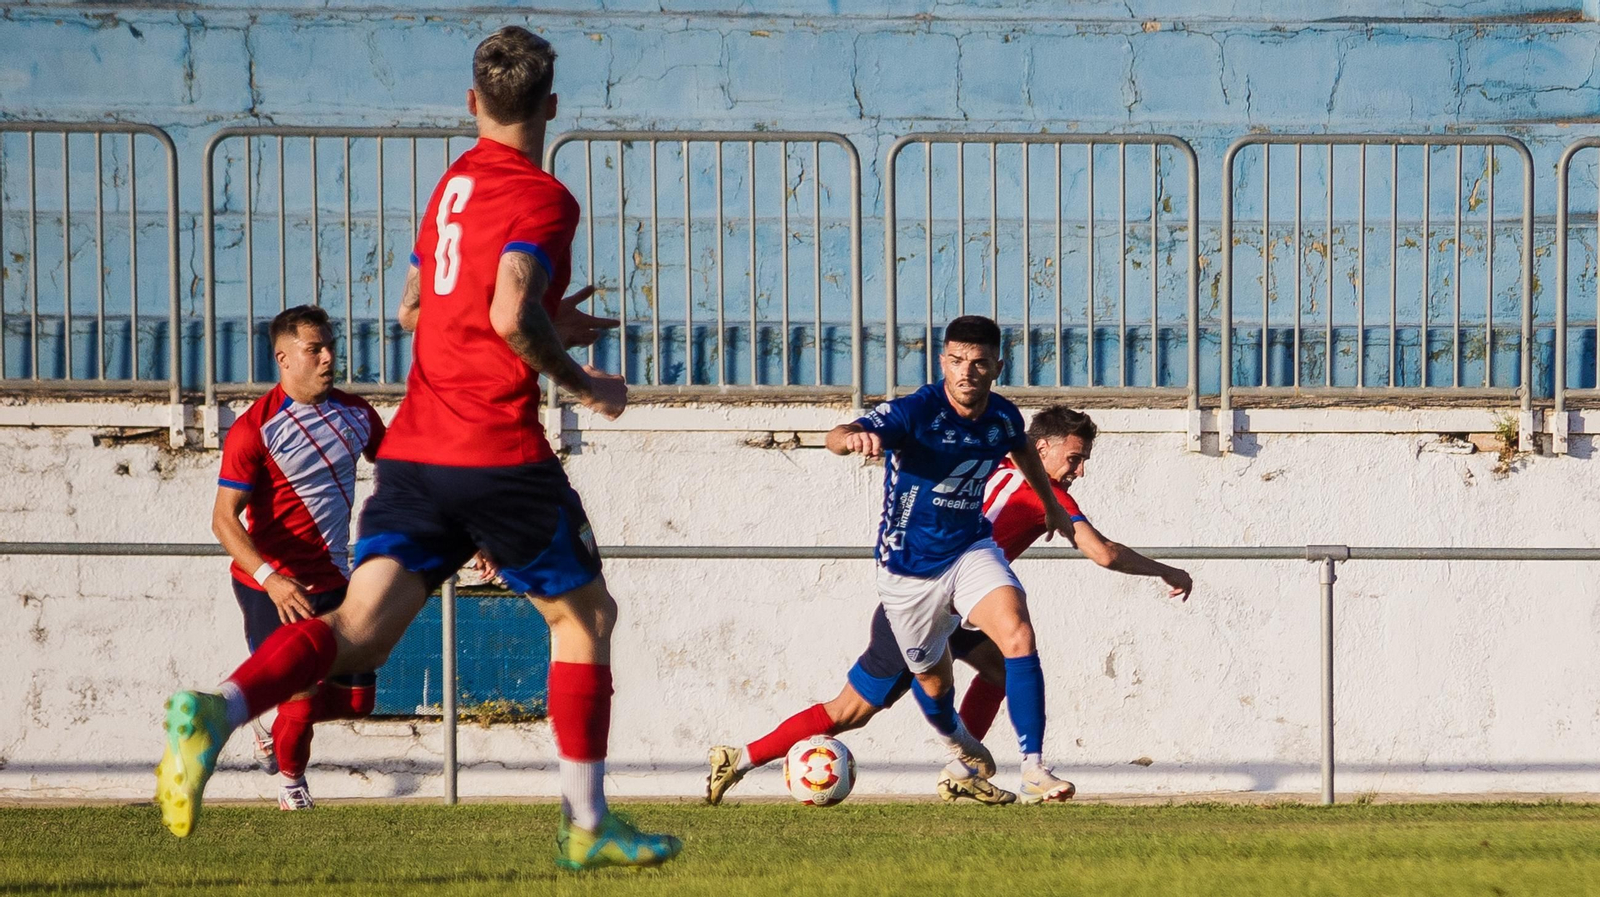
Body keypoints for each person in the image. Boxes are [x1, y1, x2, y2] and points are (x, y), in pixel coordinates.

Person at [156, 26, 681, 871]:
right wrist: (586, 381)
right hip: (497, 451)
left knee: (358, 629)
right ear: (550, 106)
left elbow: (414, 308)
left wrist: (542, 315)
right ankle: (586, 823)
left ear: (472, 104)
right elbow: (510, 312)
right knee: (584, 617)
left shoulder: (450, 188)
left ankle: (217, 709)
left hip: (411, 451)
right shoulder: (544, 197)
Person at [706, 405, 1192, 805]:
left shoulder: (993, 467)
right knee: (850, 711)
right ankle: (741, 757)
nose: (1079, 470)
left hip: (965, 603)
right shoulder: (1043, 493)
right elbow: (1103, 552)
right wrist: (1166, 570)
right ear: (1040, 449)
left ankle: (968, 769)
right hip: (922, 604)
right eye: (1074, 457)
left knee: (1006, 663)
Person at [212, 304, 385, 810]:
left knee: (359, 703)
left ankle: (269, 718)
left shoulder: (358, 414)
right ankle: (291, 785)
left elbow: (402, 468)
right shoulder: (255, 429)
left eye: (330, 346)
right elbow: (224, 519)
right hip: (273, 587)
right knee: (303, 695)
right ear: (284, 359)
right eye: (316, 349)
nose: (329, 357)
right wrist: (270, 578)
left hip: (336, 578)